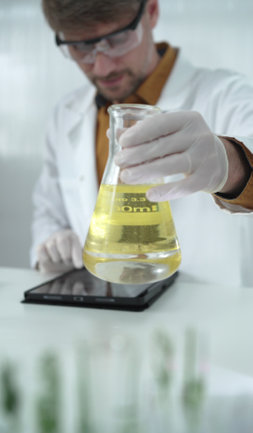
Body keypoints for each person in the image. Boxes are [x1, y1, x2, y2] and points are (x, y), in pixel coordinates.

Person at [31, 0, 253, 286]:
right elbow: (49, 212)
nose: (102, 66)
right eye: (80, 47)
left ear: (151, 12)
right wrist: (50, 244)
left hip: (205, 319)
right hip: (101, 321)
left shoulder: (228, 95)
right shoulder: (65, 114)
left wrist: (230, 163)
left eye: (117, 39)